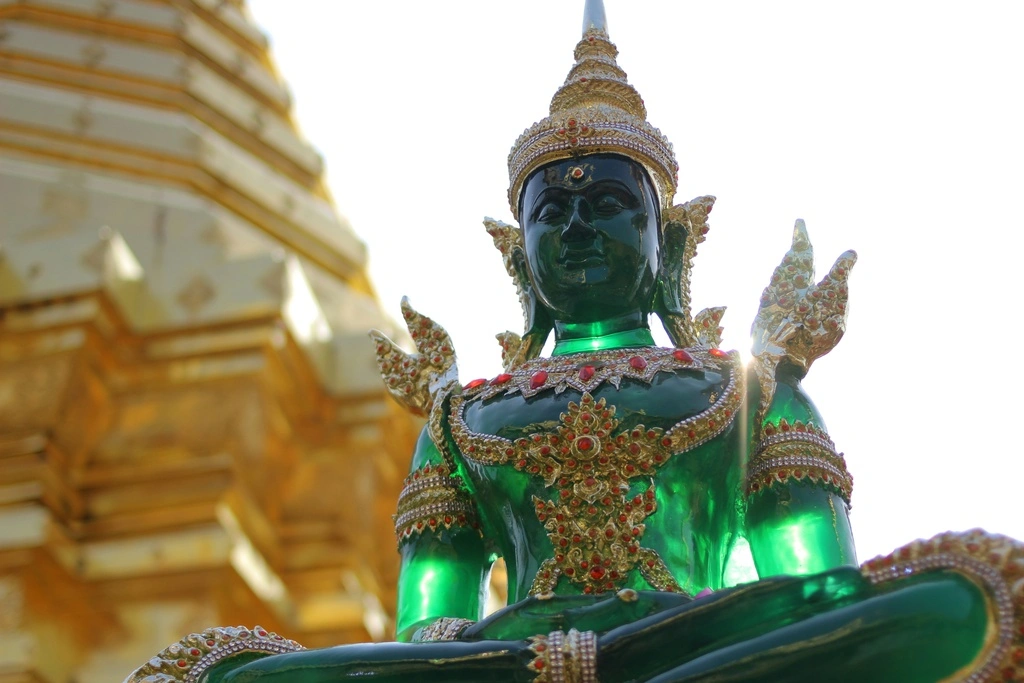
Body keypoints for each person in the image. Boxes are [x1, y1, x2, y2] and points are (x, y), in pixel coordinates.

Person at [125, 3, 1023, 682]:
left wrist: (680, 629)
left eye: (609, 208)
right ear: (521, 252)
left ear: (665, 242)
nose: (580, 230)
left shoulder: (747, 386)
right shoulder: (462, 411)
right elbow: (428, 628)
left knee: (965, 593)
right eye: (555, 212)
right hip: (503, 666)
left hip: (704, 641)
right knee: (221, 672)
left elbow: (824, 592)